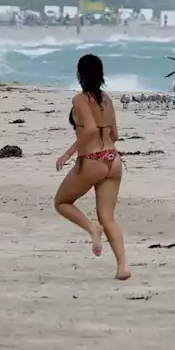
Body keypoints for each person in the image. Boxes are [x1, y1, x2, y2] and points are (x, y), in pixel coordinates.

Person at [54, 54, 130, 280]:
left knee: (61, 202)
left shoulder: (79, 100)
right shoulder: (107, 98)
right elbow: (115, 134)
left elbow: (88, 130)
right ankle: (123, 266)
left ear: (80, 74)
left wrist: (70, 154)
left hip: (92, 159)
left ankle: (91, 228)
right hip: (113, 159)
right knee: (108, 216)